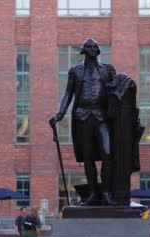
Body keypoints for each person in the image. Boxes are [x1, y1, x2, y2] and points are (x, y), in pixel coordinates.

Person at [49, 38, 117, 206]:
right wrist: (59, 114)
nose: (93, 49)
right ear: (84, 50)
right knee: (88, 157)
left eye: (95, 47)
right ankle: (94, 193)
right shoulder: (75, 71)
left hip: (102, 117)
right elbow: (68, 94)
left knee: (108, 154)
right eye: (89, 47)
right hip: (82, 117)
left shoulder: (108, 70)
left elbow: (117, 92)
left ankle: (106, 192)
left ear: (98, 50)